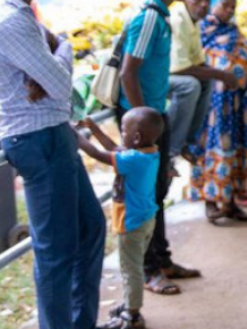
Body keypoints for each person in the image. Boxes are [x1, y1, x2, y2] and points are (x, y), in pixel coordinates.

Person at [0, 0, 105, 329]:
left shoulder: (16, 10)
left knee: (90, 229)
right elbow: (62, 85)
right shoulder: (9, 19)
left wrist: (49, 64)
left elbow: (50, 80)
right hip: (37, 140)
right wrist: (63, 47)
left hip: (52, 134)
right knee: (55, 254)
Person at [117, 0, 200, 296]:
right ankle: (150, 271)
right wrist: (142, 120)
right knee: (146, 196)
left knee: (159, 190)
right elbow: (128, 72)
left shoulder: (161, 16)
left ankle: (162, 260)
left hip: (154, 116)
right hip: (143, 122)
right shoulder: (150, 18)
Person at [77, 108, 164, 329]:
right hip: (145, 219)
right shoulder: (148, 152)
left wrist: (75, 137)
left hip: (132, 223)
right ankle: (129, 304)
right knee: (134, 266)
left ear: (136, 137)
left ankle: (132, 314)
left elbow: (98, 155)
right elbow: (114, 148)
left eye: (123, 130)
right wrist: (94, 128)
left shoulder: (133, 159)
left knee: (130, 269)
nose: (121, 133)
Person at [189, 0, 247, 223]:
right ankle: (211, 202)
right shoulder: (201, 30)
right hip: (213, 106)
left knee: (236, 149)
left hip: (237, 104)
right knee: (212, 147)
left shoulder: (233, 30)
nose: (230, 10)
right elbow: (196, 62)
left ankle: (230, 203)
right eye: (225, 5)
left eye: (233, 6)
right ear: (214, 5)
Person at [167, 0, 238, 163]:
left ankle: (188, 140)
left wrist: (220, 74)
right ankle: (171, 147)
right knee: (190, 86)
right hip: (155, 76)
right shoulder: (178, 18)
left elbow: (198, 61)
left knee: (205, 81)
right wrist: (222, 75)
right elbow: (180, 67)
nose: (204, 4)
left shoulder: (194, 20)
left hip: (172, 74)